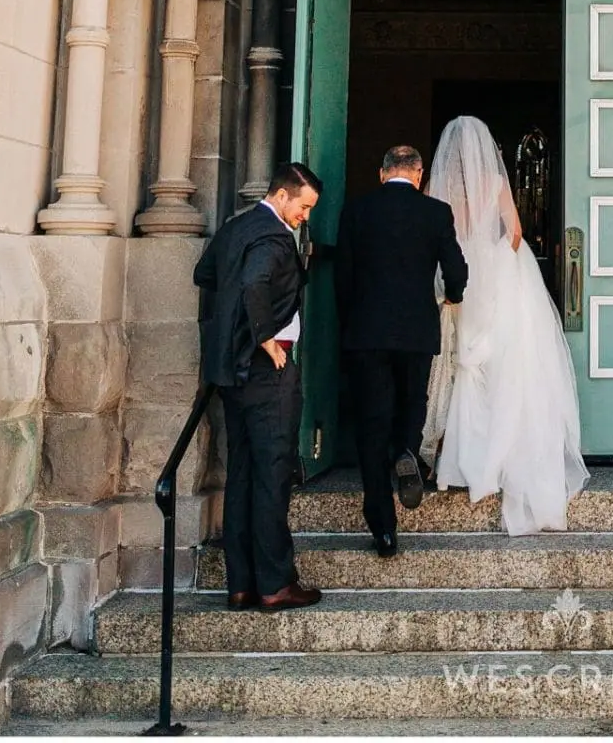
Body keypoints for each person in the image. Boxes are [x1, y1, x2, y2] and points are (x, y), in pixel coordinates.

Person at [422, 116, 588, 535]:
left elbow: (434, 237)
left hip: (456, 278)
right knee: (511, 368)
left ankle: (460, 461)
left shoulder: (440, 185)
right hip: (497, 277)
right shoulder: (494, 182)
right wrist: (494, 260)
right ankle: (504, 458)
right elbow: (514, 232)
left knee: (464, 367)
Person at [193, 161, 323, 612]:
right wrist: (266, 338)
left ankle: (241, 583)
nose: (306, 216)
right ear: (283, 195)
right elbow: (254, 283)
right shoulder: (273, 236)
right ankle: (275, 584)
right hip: (269, 372)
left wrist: (232, 327)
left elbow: (205, 275)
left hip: (232, 372)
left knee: (243, 474)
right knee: (272, 475)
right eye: (304, 206)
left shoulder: (234, 229)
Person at [334, 143, 468, 556]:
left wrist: (349, 323)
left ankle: (384, 529)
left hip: (367, 334)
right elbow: (457, 269)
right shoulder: (435, 212)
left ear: (382, 172)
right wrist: (452, 298)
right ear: (419, 175)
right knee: (414, 401)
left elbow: (343, 276)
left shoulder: (357, 211)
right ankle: (407, 450)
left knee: (372, 424)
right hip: (415, 332)